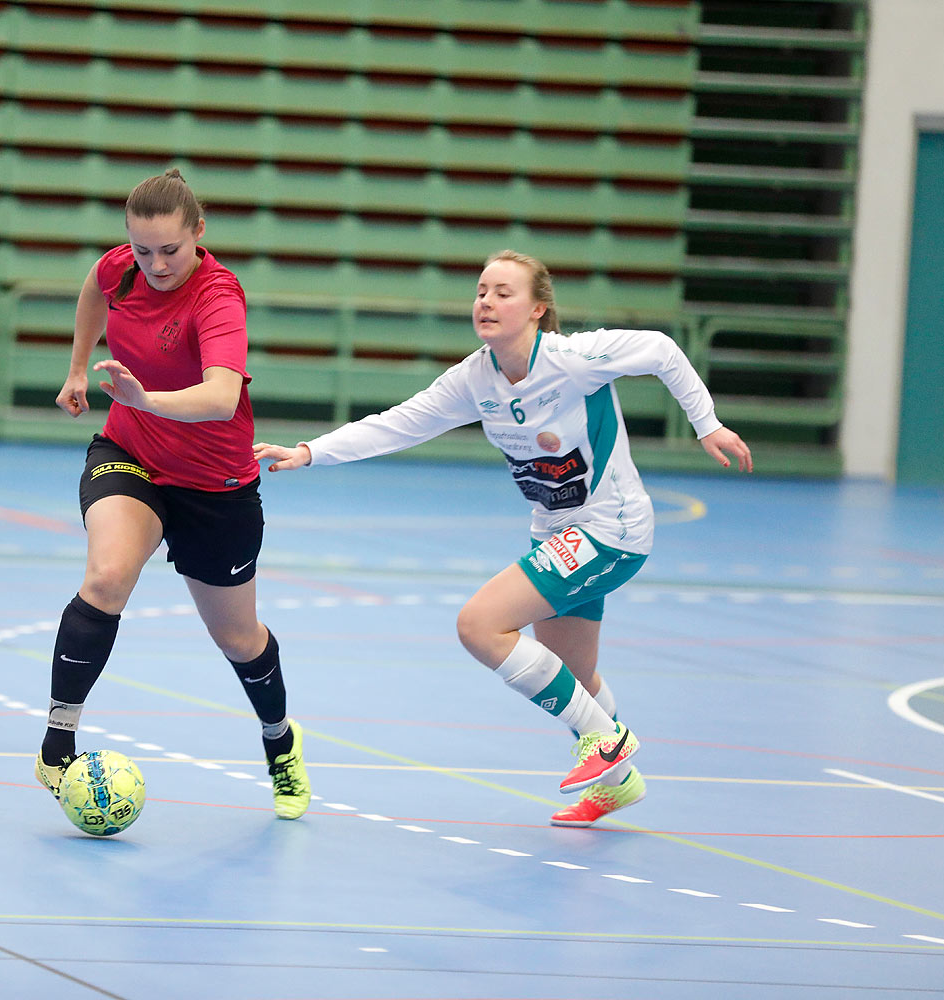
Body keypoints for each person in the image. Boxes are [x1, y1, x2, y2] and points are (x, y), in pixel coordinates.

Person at [254, 249, 752, 827]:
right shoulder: (476, 378)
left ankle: (608, 743)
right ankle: (618, 783)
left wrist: (707, 423)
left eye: (503, 292)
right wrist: (312, 452)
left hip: (610, 530)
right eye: (481, 290)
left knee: (480, 624)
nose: (486, 301)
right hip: (556, 533)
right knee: (576, 677)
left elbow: (663, 351)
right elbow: (401, 422)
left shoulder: (574, 359)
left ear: (538, 309)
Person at [35, 168, 312, 821]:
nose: (155, 264)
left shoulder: (218, 297)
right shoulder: (120, 269)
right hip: (130, 453)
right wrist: (78, 365)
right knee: (106, 577)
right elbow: (93, 290)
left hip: (216, 487)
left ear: (199, 234)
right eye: (142, 250)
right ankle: (56, 743)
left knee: (238, 638)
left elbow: (221, 396)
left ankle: (280, 744)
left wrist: (146, 397)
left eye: (170, 250)